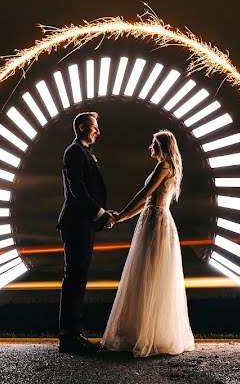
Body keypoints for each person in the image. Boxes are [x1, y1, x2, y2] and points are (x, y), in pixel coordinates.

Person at [100, 129, 196, 357]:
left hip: (155, 222)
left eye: (153, 143)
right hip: (154, 218)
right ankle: (149, 331)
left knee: (148, 274)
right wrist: (123, 216)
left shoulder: (163, 167)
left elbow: (145, 194)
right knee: (149, 274)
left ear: (161, 146)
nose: (149, 147)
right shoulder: (168, 167)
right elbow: (148, 201)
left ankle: (145, 333)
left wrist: (121, 214)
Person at [57, 111, 118, 354]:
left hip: (83, 222)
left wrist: (102, 211)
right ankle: (69, 336)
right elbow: (77, 190)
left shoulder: (83, 153)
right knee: (74, 278)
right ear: (82, 127)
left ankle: (74, 334)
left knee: (77, 278)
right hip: (77, 223)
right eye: (94, 127)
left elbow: (85, 190)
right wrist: (101, 214)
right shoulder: (74, 152)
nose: (98, 131)